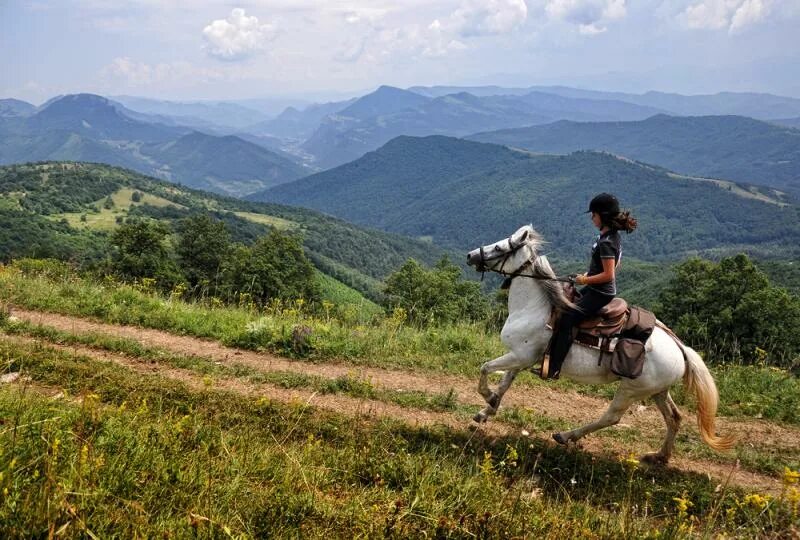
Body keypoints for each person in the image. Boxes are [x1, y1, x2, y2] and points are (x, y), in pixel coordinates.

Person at [540, 193, 637, 379]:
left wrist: (585, 280)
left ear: (603, 216)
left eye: (594, 214)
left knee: (567, 318)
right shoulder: (609, 236)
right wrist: (587, 276)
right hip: (595, 287)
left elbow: (609, 274)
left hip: (600, 292)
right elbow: (614, 264)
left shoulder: (607, 243)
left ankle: (554, 368)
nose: (592, 218)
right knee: (565, 302)